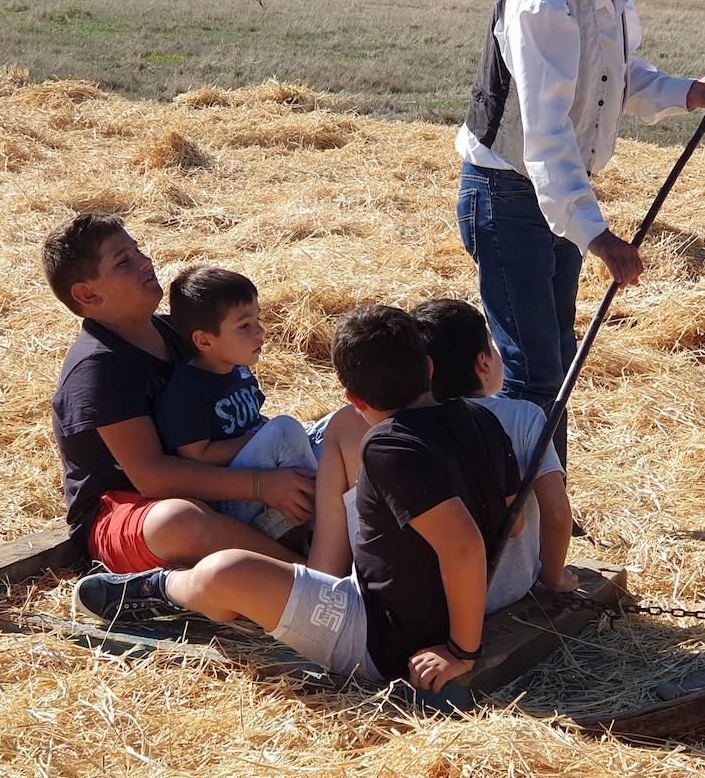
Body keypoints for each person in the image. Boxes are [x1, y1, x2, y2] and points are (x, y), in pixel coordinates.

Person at [455, 0, 705, 468]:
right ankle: (517, 513)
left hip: (555, 194)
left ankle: (549, 504)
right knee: (532, 369)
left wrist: (691, 91)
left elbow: (616, 77)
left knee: (556, 359)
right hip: (508, 194)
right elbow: (547, 128)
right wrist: (596, 235)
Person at [73, 305, 522, 692]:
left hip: (380, 636)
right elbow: (511, 522)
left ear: (351, 395)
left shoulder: (388, 447)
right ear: (428, 369)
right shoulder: (484, 420)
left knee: (228, 571)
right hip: (462, 605)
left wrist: (462, 650)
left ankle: (162, 589)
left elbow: (463, 545)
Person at [43, 213, 315, 572]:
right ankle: (316, 575)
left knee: (345, 429)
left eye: (138, 250)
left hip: (215, 486)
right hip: (131, 510)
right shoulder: (98, 366)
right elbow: (151, 476)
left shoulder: (174, 331)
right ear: (88, 294)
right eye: (124, 261)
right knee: (181, 522)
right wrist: (261, 485)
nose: (145, 262)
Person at [306, 298, 578, 606]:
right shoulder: (524, 417)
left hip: (439, 602)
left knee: (341, 426)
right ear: (483, 362)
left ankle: (322, 571)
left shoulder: (410, 427)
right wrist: (554, 577)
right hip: (511, 590)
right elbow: (555, 512)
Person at [157, 264, 346, 543]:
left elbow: (253, 422)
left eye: (257, 320)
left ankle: (346, 510)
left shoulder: (238, 370)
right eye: (244, 326)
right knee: (285, 429)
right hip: (237, 500)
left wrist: (268, 433)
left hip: (265, 479)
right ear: (204, 340)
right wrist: (263, 436)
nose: (260, 332)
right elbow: (197, 455)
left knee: (340, 423)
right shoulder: (188, 386)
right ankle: (326, 530)